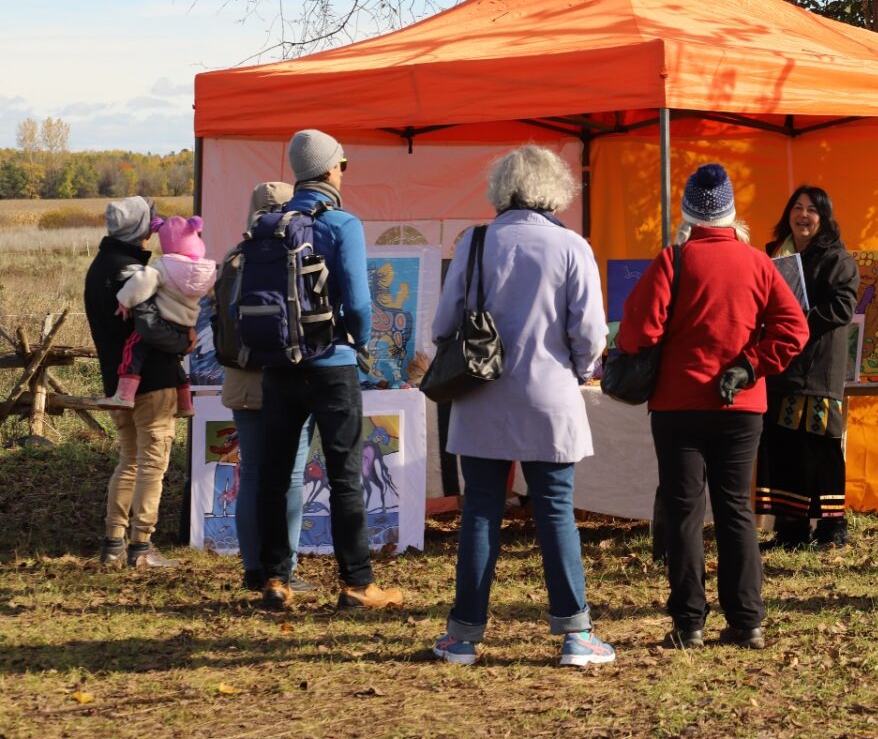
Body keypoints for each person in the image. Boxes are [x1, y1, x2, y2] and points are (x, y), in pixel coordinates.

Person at [430, 145, 614, 667]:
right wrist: (576, 370)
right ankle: (576, 635)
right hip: (548, 397)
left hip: (480, 396)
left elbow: (444, 326)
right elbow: (591, 333)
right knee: (555, 511)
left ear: (501, 186)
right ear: (555, 188)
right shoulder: (571, 246)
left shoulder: (474, 243)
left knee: (481, 513)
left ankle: (463, 637)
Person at [617, 164, 808, 650]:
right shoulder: (759, 264)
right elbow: (794, 330)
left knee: (683, 512)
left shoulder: (673, 260)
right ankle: (748, 621)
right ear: (731, 212)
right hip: (742, 406)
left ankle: (689, 623)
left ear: (688, 213)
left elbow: (638, 332)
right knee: (735, 512)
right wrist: (751, 364)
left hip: (678, 405)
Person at [256, 129, 403, 611]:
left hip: (278, 364)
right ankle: (358, 583)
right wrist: (359, 340)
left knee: (277, 474)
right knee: (344, 475)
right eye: (342, 163)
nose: (343, 170)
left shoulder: (269, 222)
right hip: (332, 364)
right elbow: (359, 301)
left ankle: (275, 579)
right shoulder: (342, 224)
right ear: (329, 170)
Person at [85, 196, 194, 569]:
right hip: (153, 380)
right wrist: (185, 341)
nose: (153, 228)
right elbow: (149, 327)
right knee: (152, 464)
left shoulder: (97, 267)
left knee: (128, 460)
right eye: (148, 222)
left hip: (117, 382)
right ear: (137, 230)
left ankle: (113, 543)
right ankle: (142, 547)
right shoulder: (132, 271)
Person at [222, 182, 317, 592]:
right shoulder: (298, 255)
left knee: (254, 475)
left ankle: (253, 569)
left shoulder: (233, 259)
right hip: (288, 379)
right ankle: (285, 571)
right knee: (291, 479)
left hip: (242, 378)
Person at [754, 186, 859, 550]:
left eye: (812, 209)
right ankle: (791, 531)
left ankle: (832, 530)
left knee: (820, 448)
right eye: (796, 208)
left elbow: (841, 310)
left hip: (817, 370)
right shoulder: (776, 256)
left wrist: (798, 320)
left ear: (824, 217)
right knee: (782, 449)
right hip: (782, 367)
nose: (803, 215)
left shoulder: (837, 259)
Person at [101, 215, 217, 417]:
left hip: (163, 320)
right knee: (172, 360)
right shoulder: (206, 269)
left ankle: (124, 395)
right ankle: (185, 404)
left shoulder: (163, 265)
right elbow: (211, 294)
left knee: (133, 349)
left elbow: (142, 282)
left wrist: (124, 301)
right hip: (185, 326)